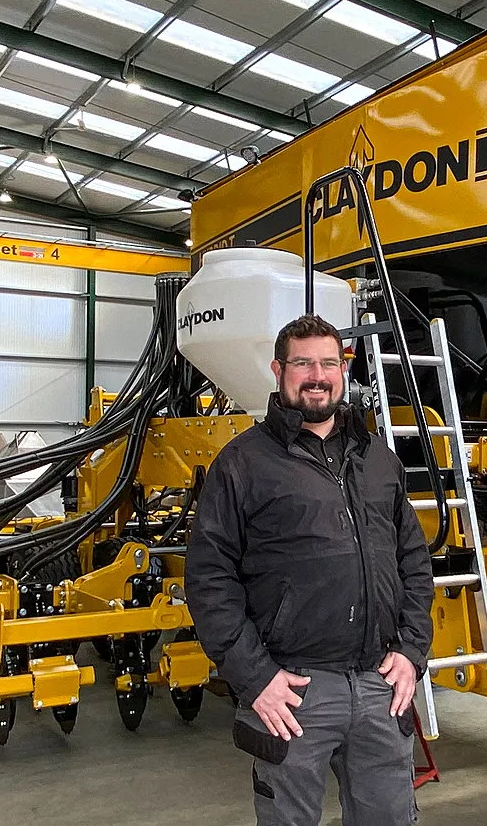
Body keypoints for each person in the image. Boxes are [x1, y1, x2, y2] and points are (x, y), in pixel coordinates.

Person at [186, 314, 434, 826]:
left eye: (328, 362)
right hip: (293, 691)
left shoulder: (379, 460)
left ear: (344, 369)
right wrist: (256, 678)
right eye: (302, 363)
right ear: (279, 371)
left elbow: (414, 561)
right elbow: (210, 579)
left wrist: (411, 651)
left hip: (378, 686)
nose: (317, 375)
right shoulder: (243, 464)